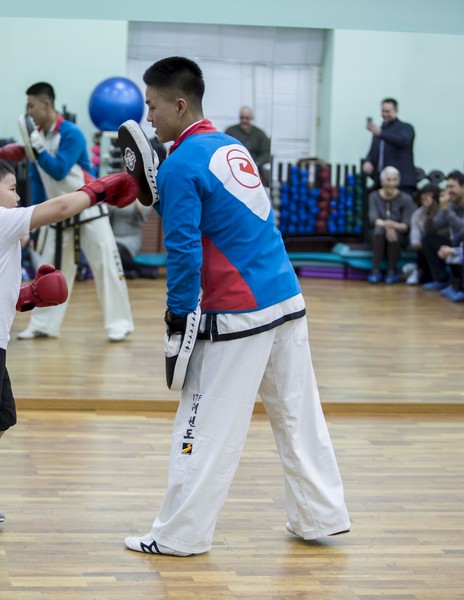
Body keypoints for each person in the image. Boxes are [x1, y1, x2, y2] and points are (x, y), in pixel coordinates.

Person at [122, 56, 349, 557]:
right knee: (297, 413)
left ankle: (179, 535)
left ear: (179, 105)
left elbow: (183, 249)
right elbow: (220, 219)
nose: (149, 117)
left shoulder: (182, 164)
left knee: (201, 424)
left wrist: (178, 318)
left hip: (237, 313)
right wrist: (157, 194)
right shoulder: (229, 146)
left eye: (154, 106)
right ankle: (320, 517)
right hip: (285, 297)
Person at [0, 155, 138, 553]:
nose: (18, 198)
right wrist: (100, 188)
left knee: (1, 417)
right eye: (12, 189)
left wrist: (28, 296)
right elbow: (61, 208)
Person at [0, 82, 134, 342]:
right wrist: (33, 220)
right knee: (50, 271)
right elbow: (37, 180)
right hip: (56, 214)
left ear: (46, 104)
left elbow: (59, 170)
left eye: (32, 106)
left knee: (106, 264)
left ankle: (119, 323)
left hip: (90, 208)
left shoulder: (71, 133)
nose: (29, 112)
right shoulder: (36, 136)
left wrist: (35, 148)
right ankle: (43, 325)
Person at [366, 166, 414, 284]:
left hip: (400, 232)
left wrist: (393, 226)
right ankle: (375, 270)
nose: (391, 183)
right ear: (382, 182)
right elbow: (373, 218)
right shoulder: (374, 196)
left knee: (395, 235)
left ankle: (392, 270)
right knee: (379, 231)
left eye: (394, 179)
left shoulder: (406, 199)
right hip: (379, 230)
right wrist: (388, 226)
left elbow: (406, 225)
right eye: (388, 180)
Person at [363, 98, 417, 195]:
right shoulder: (379, 130)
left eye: (388, 111)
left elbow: (402, 141)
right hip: (382, 182)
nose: (385, 114)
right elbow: (373, 151)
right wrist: (368, 161)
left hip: (402, 182)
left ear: (396, 111)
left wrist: (381, 133)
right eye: (383, 111)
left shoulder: (406, 128)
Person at [421, 171, 464, 291]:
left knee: (458, 240)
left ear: (463, 187)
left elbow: (461, 230)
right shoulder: (449, 205)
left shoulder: (449, 208)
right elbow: (430, 230)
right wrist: (430, 211)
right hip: (456, 243)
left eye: (452, 187)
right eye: (447, 187)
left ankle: (459, 285)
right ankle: (441, 280)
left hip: (461, 244)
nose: (449, 190)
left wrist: (447, 211)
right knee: (428, 240)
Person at [407, 184, 445, 285]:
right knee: (425, 242)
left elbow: (446, 232)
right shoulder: (417, 214)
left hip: (445, 242)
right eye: (423, 195)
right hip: (427, 245)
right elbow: (414, 240)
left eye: (429, 195)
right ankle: (423, 273)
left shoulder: (444, 210)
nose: (425, 198)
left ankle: (440, 279)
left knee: (428, 240)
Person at [108, 201, 156, 279]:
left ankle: (137, 270)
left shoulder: (139, 197)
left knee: (117, 251)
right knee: (109, 251)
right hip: (113, 236)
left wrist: (137, 198)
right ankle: (133, 272)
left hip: (130, 238)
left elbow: (144, 215)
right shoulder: (117, 196)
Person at [224, 106, 271, 186]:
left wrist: (256, 163)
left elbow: (267, 153)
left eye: (247, 118)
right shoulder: (230, 131)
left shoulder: (259, 134)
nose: (244, 120)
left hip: (254, 170)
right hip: (233, 168)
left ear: (252, 118)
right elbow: (223, 150)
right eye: (242, 118)